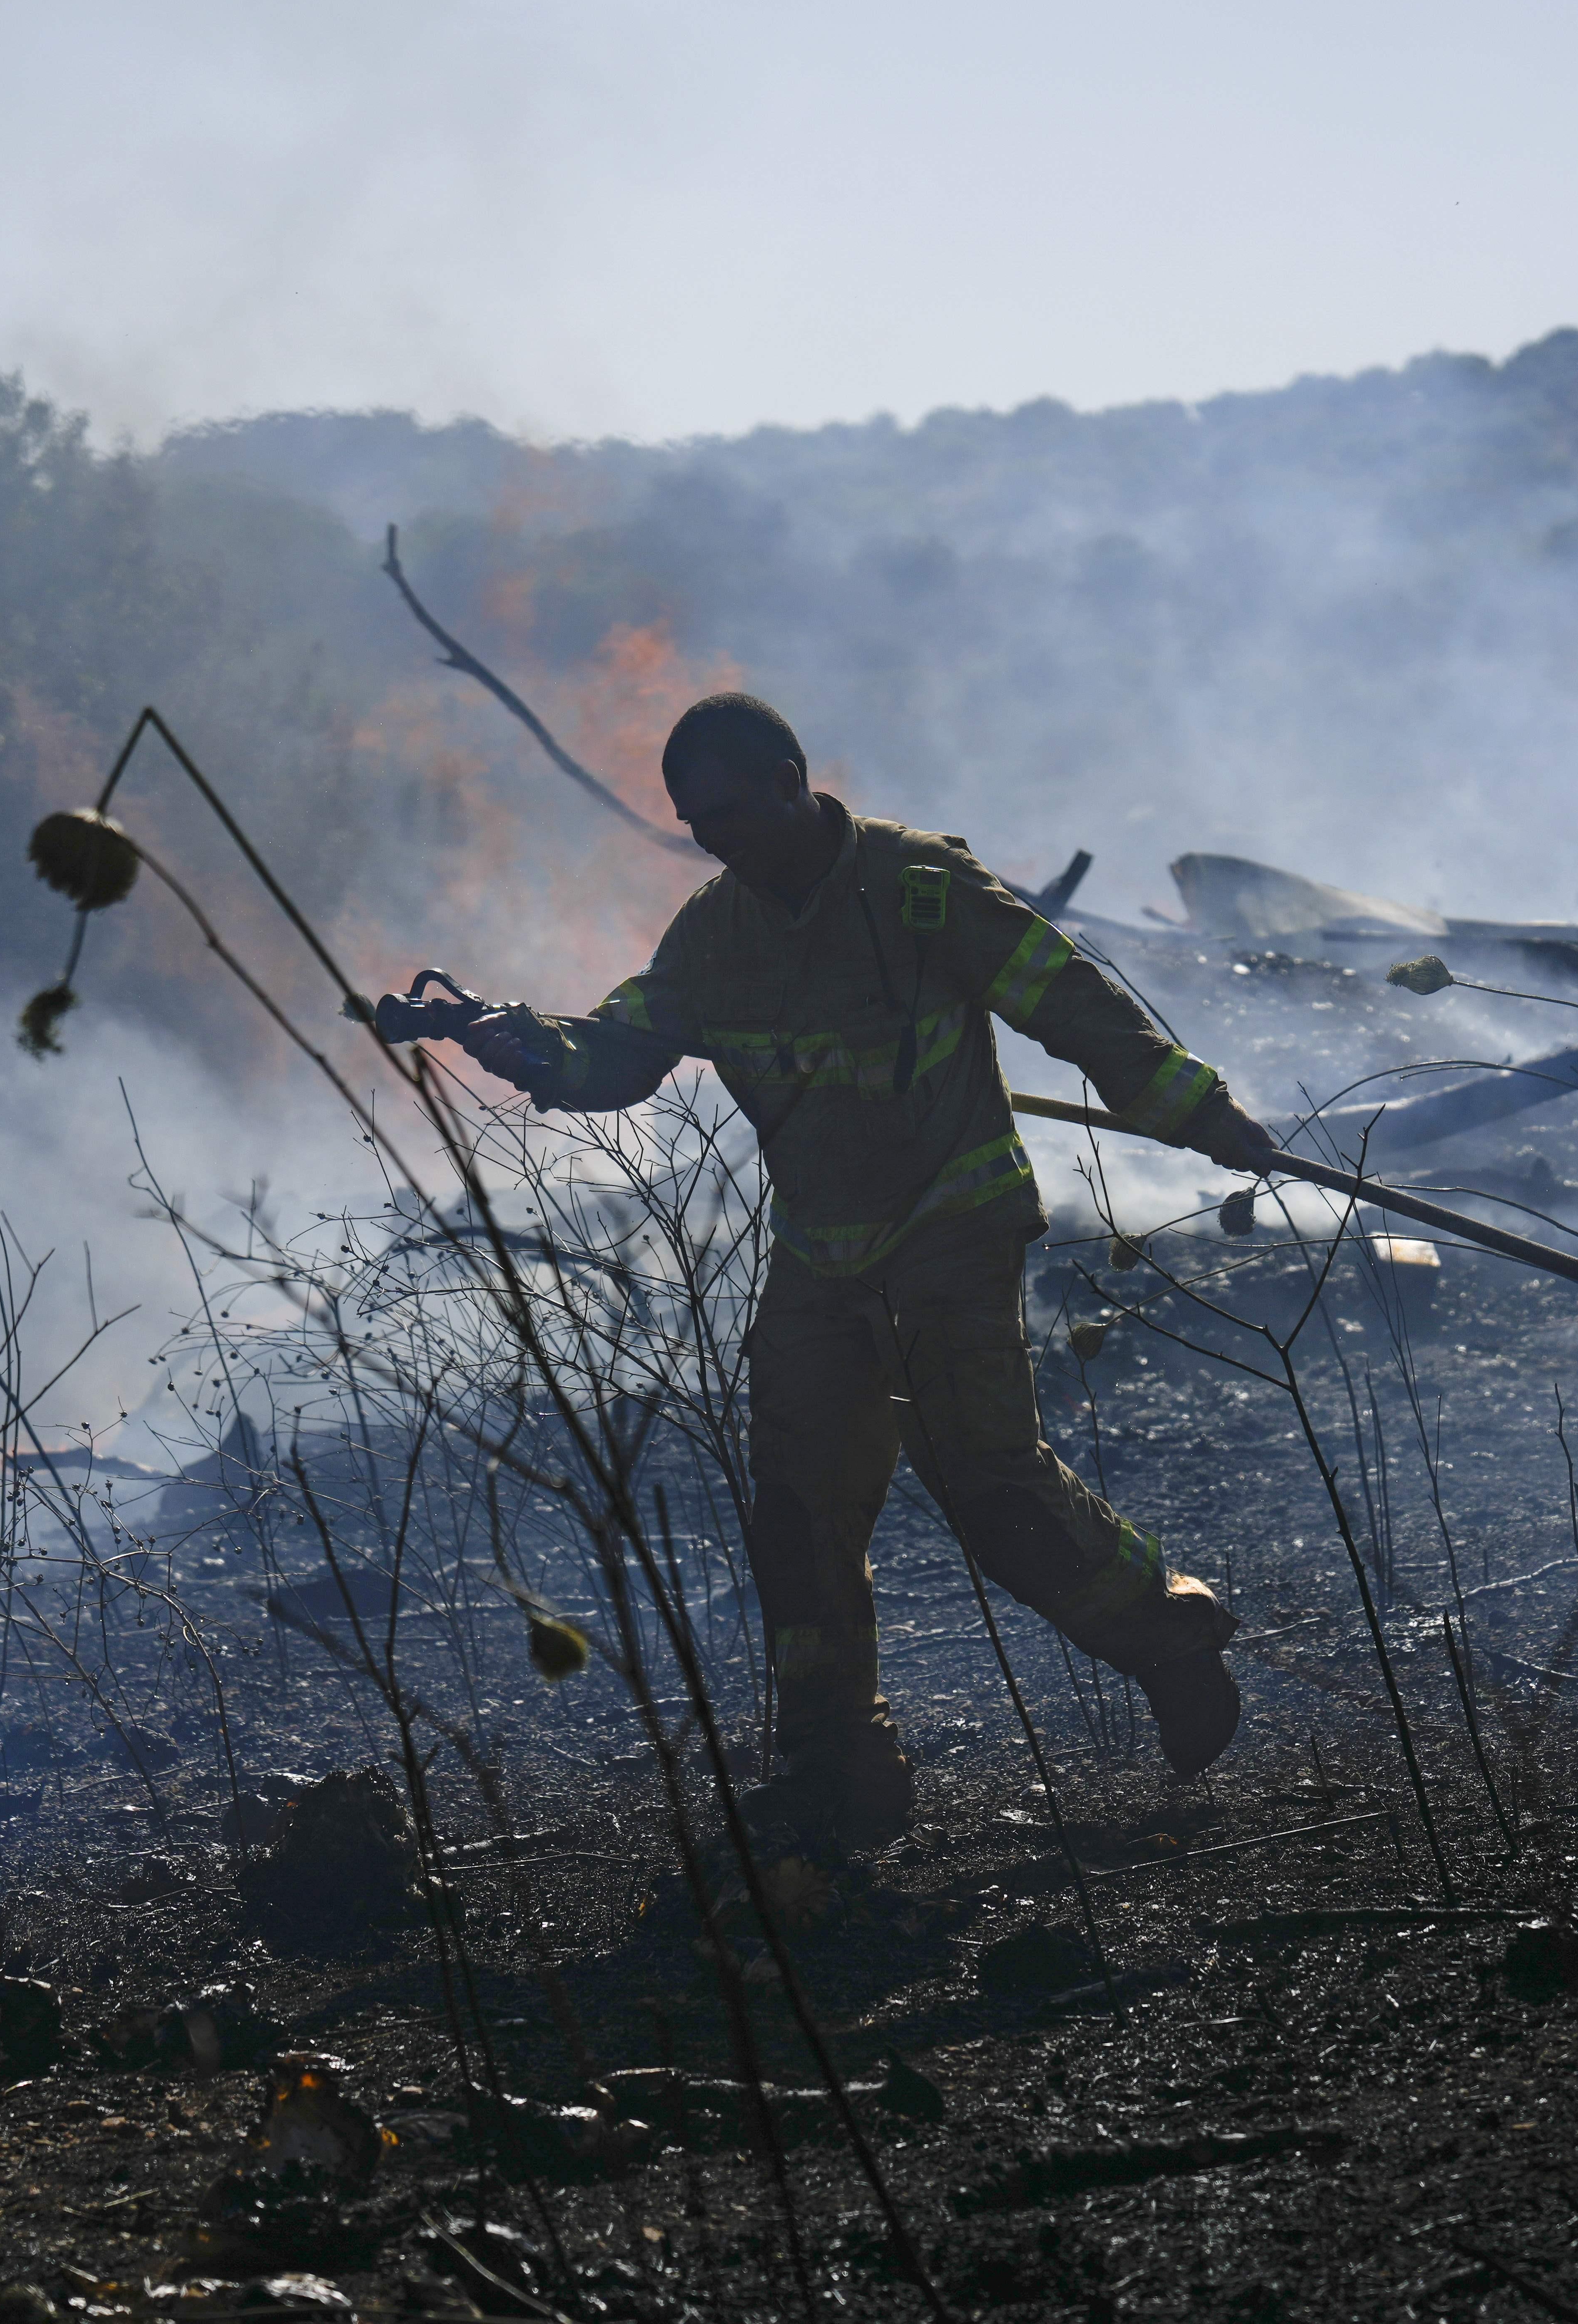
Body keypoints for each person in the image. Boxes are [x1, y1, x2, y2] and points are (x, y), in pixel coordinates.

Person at [458, 691, 1281, 1852]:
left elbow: (1069, 996)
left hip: (954, 1224)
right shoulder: (712, 936)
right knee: (796, 1516)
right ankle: (838, 1770)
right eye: (697, 826)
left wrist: (1197, 1110)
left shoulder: (918, 888)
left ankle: (1169, 1642)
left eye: (734, 813)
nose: (718, 841)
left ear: (796, 781)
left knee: (988, 1488)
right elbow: (625, 1043)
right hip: (821, 1256)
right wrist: (536, 1049)